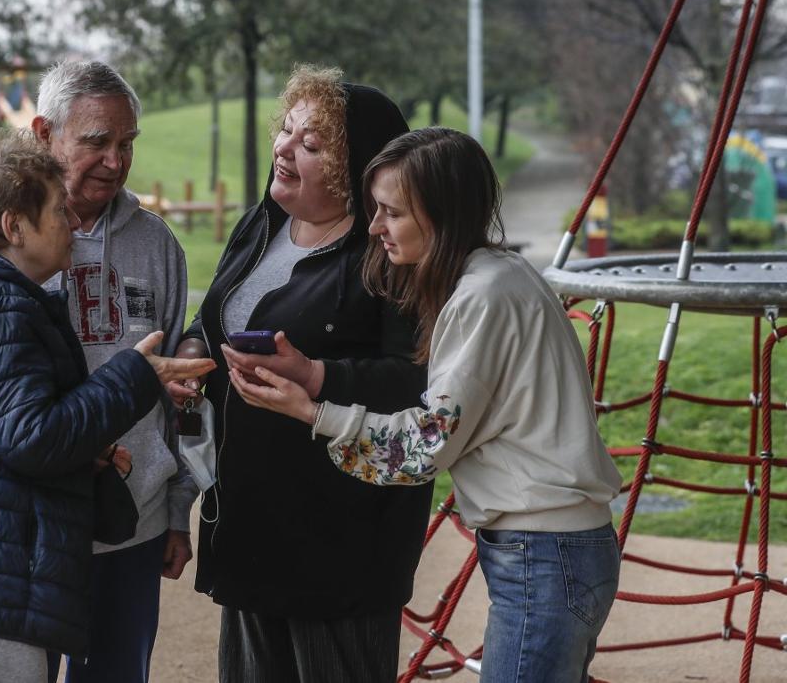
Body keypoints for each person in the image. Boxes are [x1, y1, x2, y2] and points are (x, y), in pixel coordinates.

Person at [230, 127, 623, 682]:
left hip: (544, 552)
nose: (375, 227)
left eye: (391, 212)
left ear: (441, 215)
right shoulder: (498, 278)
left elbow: (423, 448)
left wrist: (308, 410)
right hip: (555, 549)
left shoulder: (482, 296)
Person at [0, 128, 215, 683]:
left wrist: (88, 451)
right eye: (58, 211)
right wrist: (134, 376)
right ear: (13, 227)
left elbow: (0, 432)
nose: (75, 224)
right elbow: (33, 439)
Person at [167, 66, 433, 683]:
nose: (283, 149)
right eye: (286, 132)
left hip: (339, 547)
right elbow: (217, 319)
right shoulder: (262, 226)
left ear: (359, 171)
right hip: (251, 528)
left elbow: (416, 382)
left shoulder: (390, 254)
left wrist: (316, 376)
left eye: (312, 146)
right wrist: (189, 353)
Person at [27, 59, 196, 683]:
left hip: (134, 524)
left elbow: (185, 396)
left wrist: (178, 508)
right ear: (45, 134)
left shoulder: (158, 246)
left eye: (126, 144)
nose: (115, 160)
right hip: (32, 525)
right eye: (96, 141)